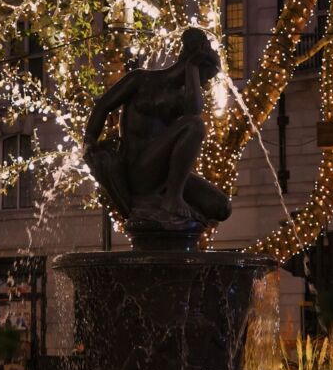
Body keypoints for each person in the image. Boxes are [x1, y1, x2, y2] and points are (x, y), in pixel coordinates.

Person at [83, 27, 232, 229]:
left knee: (221, 207)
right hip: (138, 170)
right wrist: (89, 142)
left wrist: (192, 69)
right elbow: (103, 106)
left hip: (163, 175)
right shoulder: (141, 79)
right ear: (198, 68)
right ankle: (173, 198)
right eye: (206, 77)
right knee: (194, 126)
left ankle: (172, 194)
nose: (204, 84)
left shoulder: (183, 98)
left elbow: (194, 108)